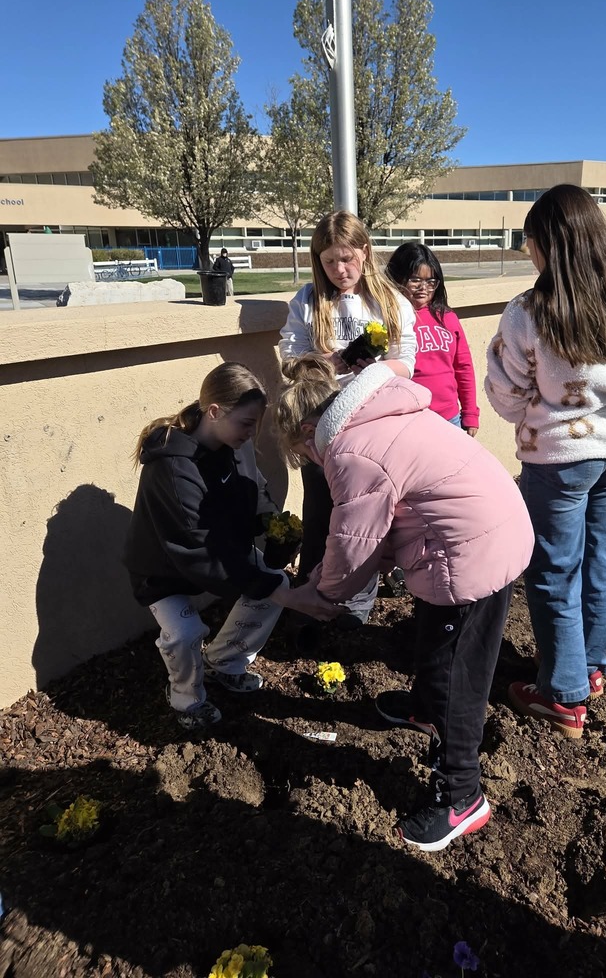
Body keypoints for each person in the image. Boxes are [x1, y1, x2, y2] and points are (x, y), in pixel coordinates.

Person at [273, 354, 534, 852]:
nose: (309, 458)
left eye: (302, 449)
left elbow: (356, 544)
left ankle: (461, 795)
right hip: (485, 532)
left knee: (455, 674)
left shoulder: (352, 451)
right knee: (434, 639)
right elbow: (392, 512)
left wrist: (321, 596)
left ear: (309, 428)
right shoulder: (386, 413)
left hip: (469, 553)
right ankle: (421, 710)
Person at [485, 184, 606, 739]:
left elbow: (505, 393)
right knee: (599, 558)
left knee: (552, 571)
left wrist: (541, 404)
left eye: (529, 242)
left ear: (548, 243)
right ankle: (589, 668)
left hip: (559, 458)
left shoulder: (530, 310)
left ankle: (561, 697)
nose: (527, 252)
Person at [124, 362, 334, 732]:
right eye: (246, 423)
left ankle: (225, 663)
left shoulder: (235, 444)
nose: (252, 434)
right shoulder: (172, 468)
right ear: (215, 412)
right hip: (163, 569)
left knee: (275, 584)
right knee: (186, 634)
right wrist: (280, 594)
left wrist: (274, 529)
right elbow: (197, 547)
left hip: (219, 552)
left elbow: (255, 490)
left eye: (256, 424)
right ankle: (187, 700)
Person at [278, 210, 417, 634]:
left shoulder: (389, 300)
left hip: (374, 423)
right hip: (321, 425)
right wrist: (323, 363)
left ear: (365, 252)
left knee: (367, 513)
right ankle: (313, 597)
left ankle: (356, 604)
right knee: (321, 510)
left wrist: (372, 369)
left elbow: (407, 358)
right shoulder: (306, 300)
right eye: (329, 261)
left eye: (347, 259)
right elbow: (289, 357)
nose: (340, 270)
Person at [386, 242, 480, 435]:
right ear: (397, 278)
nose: (424, 288)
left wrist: (470, 413)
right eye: (415, 280)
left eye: (431, 282)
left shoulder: (447, 318)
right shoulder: (388, 319)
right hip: (408, 421)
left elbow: (463, 368)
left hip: (450, 418)